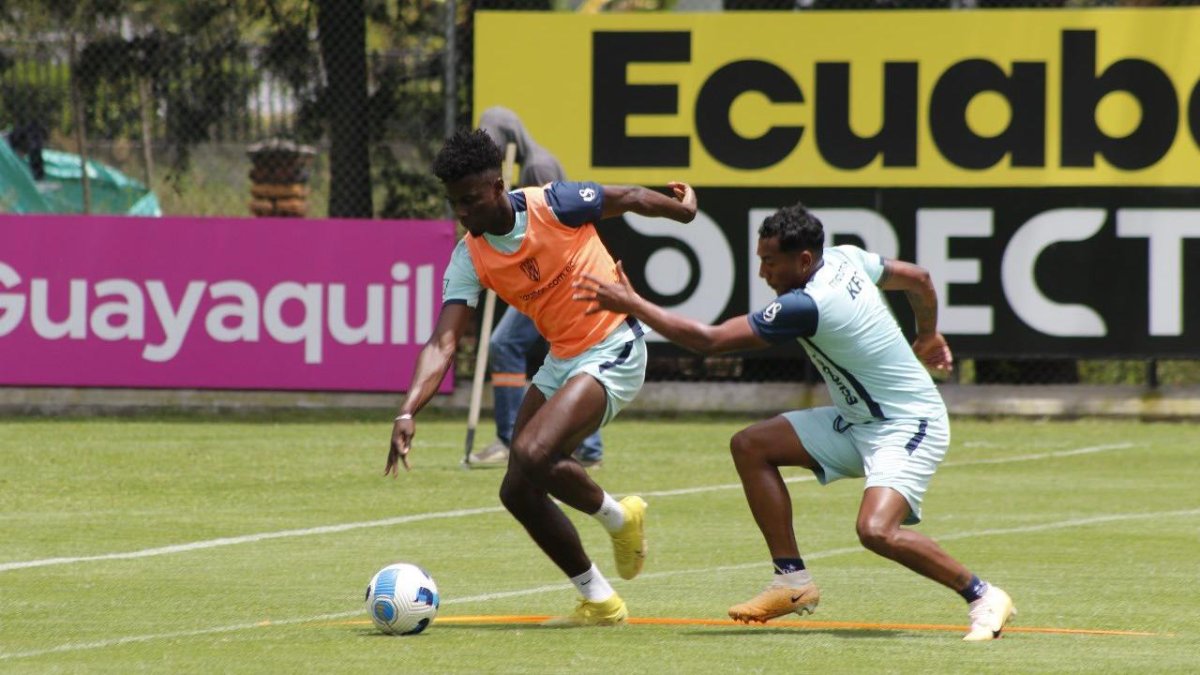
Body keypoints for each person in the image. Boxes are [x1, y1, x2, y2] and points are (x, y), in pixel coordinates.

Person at [572, 203, 1016, 641]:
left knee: (876, 531)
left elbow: (709, 342)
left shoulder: (809, 304)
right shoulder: (845, 255)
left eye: (770, 262)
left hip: (908, 423)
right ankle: (791, 581)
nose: (763, 272)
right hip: (860, 421)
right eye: (760, 260)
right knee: (751, 446)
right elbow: (918, 279)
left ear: (803, 260)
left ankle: (982, 595)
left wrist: (632, 303)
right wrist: (927, 333)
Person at [386, 128, 697, 626]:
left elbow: (632, 197)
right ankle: (599, 599)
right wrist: (407, 409)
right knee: (516, 489)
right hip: (563, 359)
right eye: (453, 203)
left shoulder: (555, 204)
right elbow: (443, 342)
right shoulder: (470, 256)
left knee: (531, 451)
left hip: (614, 344)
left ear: (496, 185)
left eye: (468, 200)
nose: (462, 213)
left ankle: (620, 518)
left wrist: (682, 210)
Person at [469, 106, 603, 467]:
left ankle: (509, 436)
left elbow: (542, 226)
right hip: (553, 279)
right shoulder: (533, 163)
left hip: (553, 280)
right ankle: (589, 448)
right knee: (570, 356)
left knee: (504, 343)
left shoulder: (537, 168)